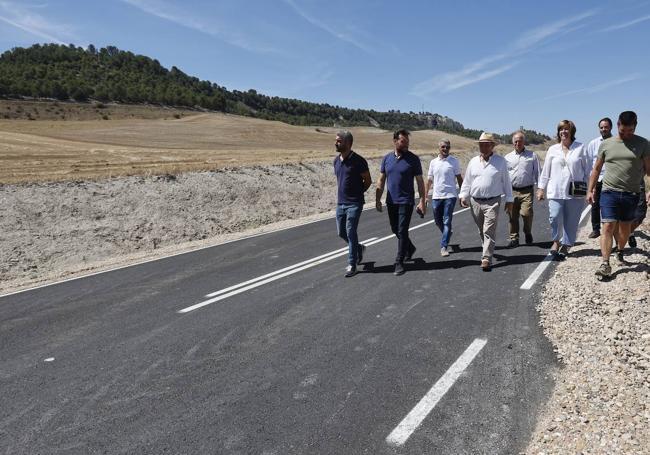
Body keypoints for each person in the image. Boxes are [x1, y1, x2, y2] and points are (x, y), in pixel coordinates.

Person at [587, 111, 650, 279]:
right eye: (623, 131)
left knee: (624, 229)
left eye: (630, 131)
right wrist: (590, 189)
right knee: (607, 226)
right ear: (618, 125)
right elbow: (596, 169)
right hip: (609, 191)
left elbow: (649, 170)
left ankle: (620, 250)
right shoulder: (607, 144)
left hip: (631, 194)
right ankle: (605, 263)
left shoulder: (643, 144)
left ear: (635, 127)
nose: (627, 134)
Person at [459, 132, 513, 270]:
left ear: (492, 146)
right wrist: (463, 195)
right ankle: (487, 249)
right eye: (481, 145)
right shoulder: (473, 162)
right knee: (481, 229)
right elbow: (467, 181)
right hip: (475, 201)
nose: (483, 147)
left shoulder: (500, 162)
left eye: (486, 144)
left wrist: (509, 199)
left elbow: (506, 182)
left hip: (492, 201)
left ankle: (486, 258)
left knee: (489, 229)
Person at [376, 129, 426, 276]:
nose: (406, 145)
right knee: (395, 229)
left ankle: (399, 261)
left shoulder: (413, 159)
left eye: (407, 142)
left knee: (403, 230)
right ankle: (409, 248)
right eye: (403, 142)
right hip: (391, 200)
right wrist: (378, 199)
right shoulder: (386, 159)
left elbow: (420, 182)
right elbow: (381, 179)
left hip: (406, 200)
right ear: (395, 141)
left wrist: (422, 200)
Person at [537, 120, 590, 259]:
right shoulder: (553, 149)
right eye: (561, 129)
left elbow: (588, 171)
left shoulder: (581, 148)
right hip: (555, 190)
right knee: (554, 217)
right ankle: (555, 241)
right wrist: (541, 188)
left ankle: (566, 244)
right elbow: (546, 171)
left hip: (575, 191)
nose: (563, 132)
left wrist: (590, 189)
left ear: (572, 131)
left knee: (572, 220)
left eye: (566, 129)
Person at [333, 130, 371, 277]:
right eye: (336, 140)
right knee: (341, 232)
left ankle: (352, 263)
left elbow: (367, 181)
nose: (335, 143)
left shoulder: (359, 161)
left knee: (350, 231)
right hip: (340, 203)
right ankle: (359, 248)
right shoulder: (336, 161)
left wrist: (358, 193)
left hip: (354, 203)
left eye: (339, 141)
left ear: (348, 143)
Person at [425, 139, 463, 257]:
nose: (445, 149)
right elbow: (429, 180)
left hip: (450, 196)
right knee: (438, 221)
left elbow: (459, 178)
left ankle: (444, 246)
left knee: (447, 221)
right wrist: (425, 196)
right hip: (436, 196)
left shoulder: (454, 162)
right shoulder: (433, 162)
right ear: (439, 148)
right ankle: (447, 233)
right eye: (443, 147)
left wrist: (462, 195)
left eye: (447, 147)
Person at [505, 131, 541, 247]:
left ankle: (528, 232)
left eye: (520, 141)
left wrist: (540, 188)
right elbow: (504, 175)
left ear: (523, 142)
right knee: (512, 216)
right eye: (515, 141)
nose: (517, 143)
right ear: (512, 143)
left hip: (527, 191)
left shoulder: (532, 155)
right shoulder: (507, 157)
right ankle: (514, 238)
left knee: (526, 214)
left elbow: (538, 173)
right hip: (512, 191)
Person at [585, 118, 613, 238]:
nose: (603, 129)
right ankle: (596, 229)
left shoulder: (616, 142)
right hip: (598, 178)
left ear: (611, 127)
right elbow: (589, 163)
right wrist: (590, 184)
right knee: (595, 204)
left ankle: (611, 228)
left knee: (610, 205)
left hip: (612, 178)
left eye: (606, 127)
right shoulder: (593, 144)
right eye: (601, 127)